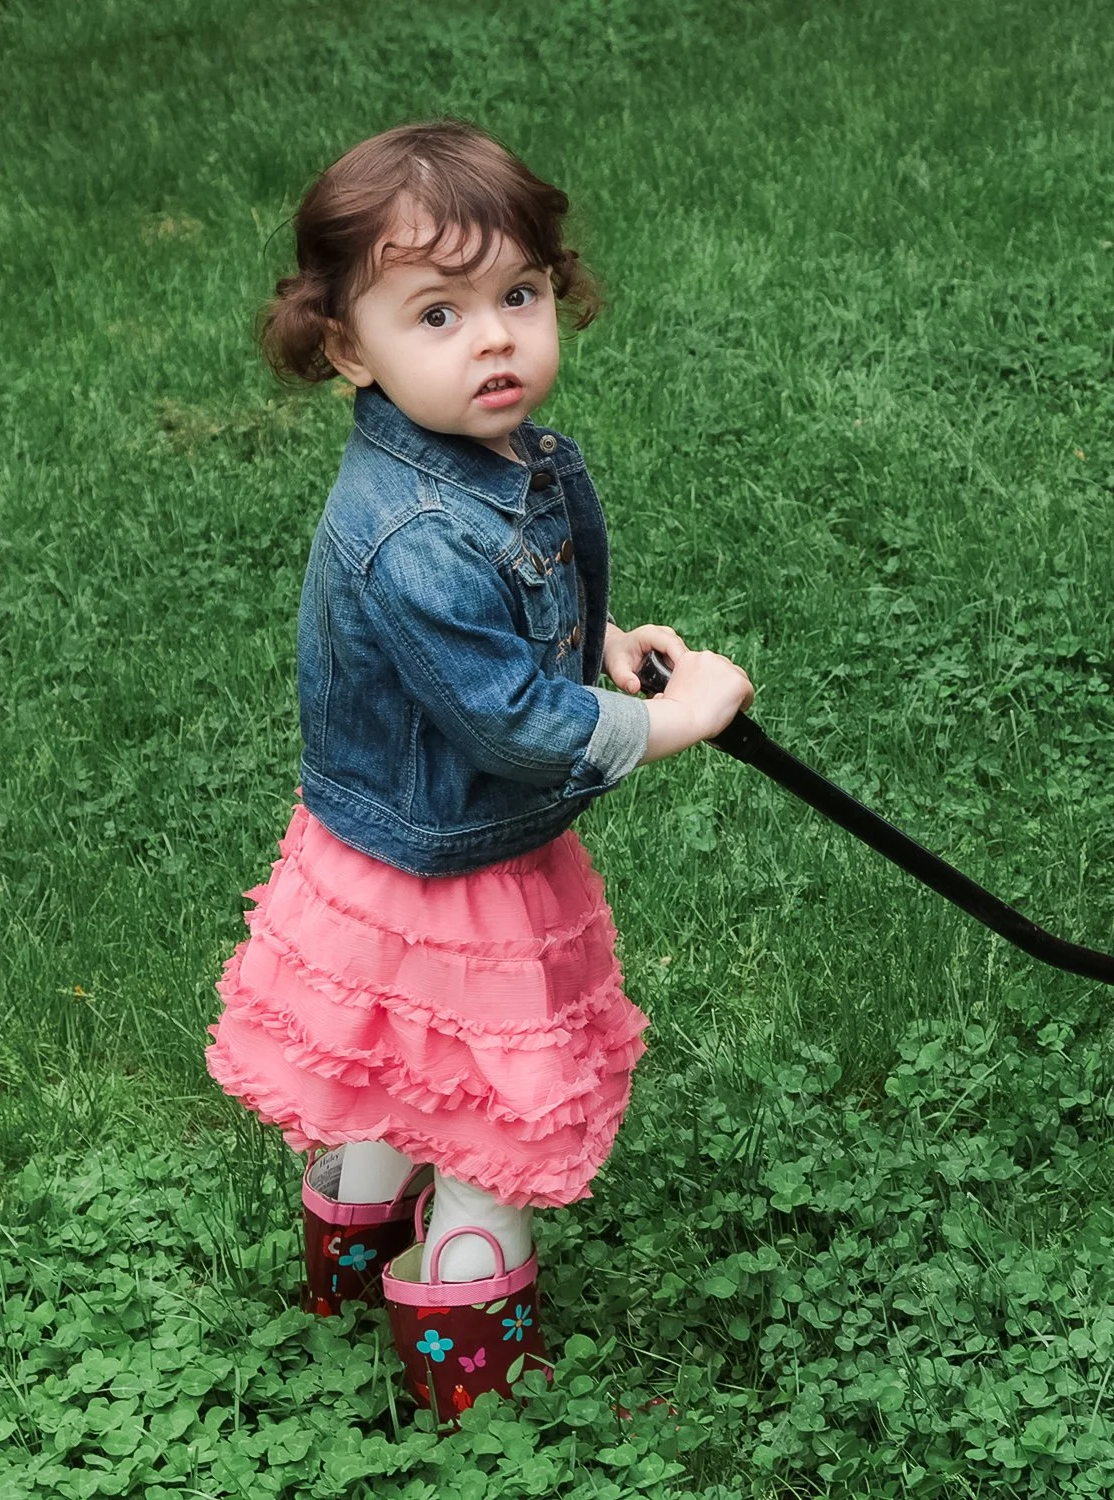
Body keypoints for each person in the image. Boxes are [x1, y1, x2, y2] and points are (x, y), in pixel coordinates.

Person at [204, 119, 753, 1416]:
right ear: (349, 350)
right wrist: (681, 721)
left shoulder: (490, 464)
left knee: (398, 1076)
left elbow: (505, 632)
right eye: (437, 314)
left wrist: (604, 643)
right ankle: (476, 1396)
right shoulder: (409, 534)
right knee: (489, 1122)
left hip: (386, 853)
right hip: (458, 871)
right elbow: (506, 720)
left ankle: (346, 1283)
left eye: (518, 295)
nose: (495, 338)